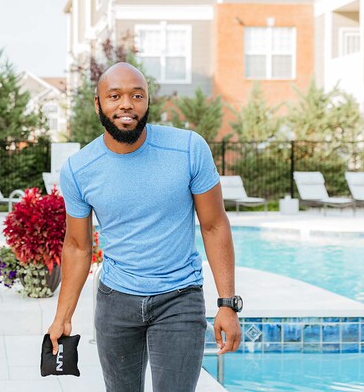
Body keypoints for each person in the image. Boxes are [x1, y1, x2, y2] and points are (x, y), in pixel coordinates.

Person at [48, 63, 241, 391]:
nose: (126, 104)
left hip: (179, 299)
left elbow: (214, 225)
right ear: (98, 104)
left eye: (137, 95)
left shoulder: (188, 149)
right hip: (115, 302)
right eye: (114, 96)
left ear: (148, 103)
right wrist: (63, 316)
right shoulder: (80, 169)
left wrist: (227, 303)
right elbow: (78, 246)